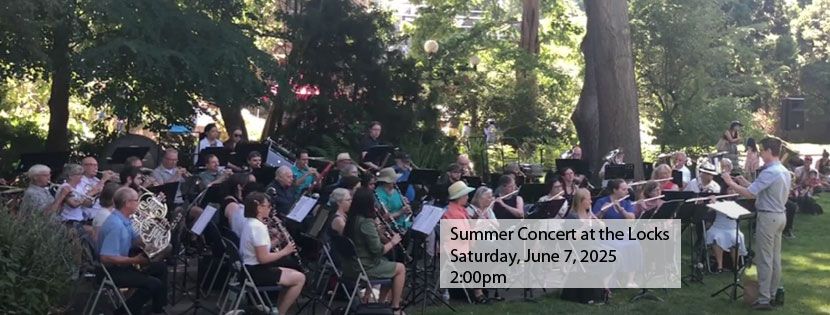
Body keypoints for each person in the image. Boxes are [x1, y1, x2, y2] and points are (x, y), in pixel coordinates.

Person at [721, 137, 790, 310]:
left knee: (765, 259)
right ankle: (772, 293)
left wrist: (729, 182)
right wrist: (744, 182)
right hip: (780, 216)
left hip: (768, 218)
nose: (760, 152)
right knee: (774, 258)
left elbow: (751, 194)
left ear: (768, 151)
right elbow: (763, 191)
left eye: (762, 150)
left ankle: (764, 298)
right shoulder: (783, 170)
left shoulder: (769, 171)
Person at [98, 187, 168, 314]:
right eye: (136, 200)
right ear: (127, 203)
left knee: (161, 268)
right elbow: (105, 257)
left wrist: (156, 233)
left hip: (123, 265)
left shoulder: (125, 220)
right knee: (154, 284)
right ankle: (123, 312)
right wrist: (135, 260)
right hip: (112, 271)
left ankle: (157, 309)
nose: (139, 203)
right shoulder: (116, 225)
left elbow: (137, 240)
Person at [239, 192, 306, 315]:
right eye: (268, 206)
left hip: (248, 269)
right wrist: (285, 251)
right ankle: (281, 313)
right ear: (259, 208)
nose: (270, 208)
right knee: (300, 278)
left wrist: (275, 241)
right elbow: (263, 258)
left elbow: (257, 248)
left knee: (293, 275)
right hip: (256, 272)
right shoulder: (258, 227)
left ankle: (277, 311)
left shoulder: (249, 222)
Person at [342, 188, 406, 314]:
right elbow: (378, 250)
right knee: (400, 268)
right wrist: (393, 241)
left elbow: (363, 241)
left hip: (349, 267)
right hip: (363, 268)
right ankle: (395, 307)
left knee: (388, 264)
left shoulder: (352, 219)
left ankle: (380, 306)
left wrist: (377, 232)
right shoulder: (366, 222)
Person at [442, 181, 489, 304]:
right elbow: (462, 236)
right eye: (466, 195)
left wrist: (474, 220)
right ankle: (478, 293)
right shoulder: (453, 213)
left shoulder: (460, 210)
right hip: (456, 251)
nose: (468, 197)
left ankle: (482, 288)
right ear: (459, 197)